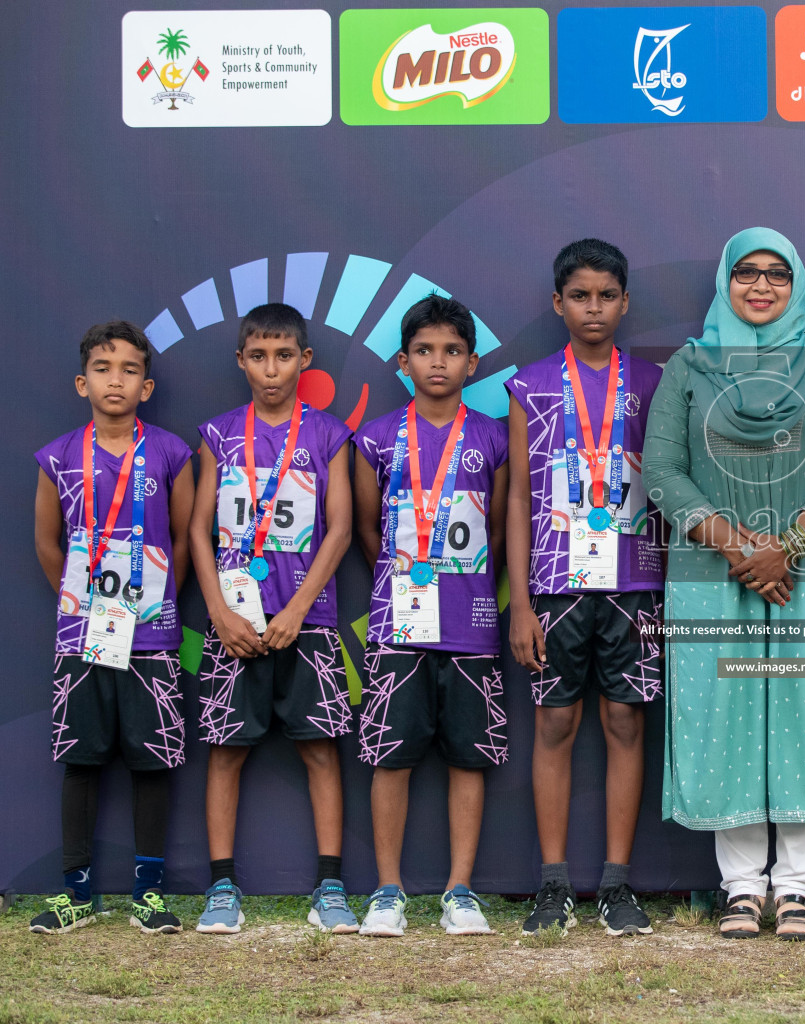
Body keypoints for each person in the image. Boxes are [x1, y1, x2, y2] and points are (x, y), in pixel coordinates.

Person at [643, 227, 805, 941]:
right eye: (747, 273)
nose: (762, 285)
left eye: (777, 273)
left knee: (803, 714)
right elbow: (662, 472)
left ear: (797, 282)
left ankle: (797, 887)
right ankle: (741, 888)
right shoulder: (690, 365)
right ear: (725, 281)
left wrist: (789, 547)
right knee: (726, 715)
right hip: (714, 574)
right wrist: (745, 549)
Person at [507, 239, 665, 937]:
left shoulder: (656, 383)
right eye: (580, 296)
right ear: (557, 304)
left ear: (625, 302)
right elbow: (515, 499)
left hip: (636, 583)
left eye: (606, 295)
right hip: (556, 583)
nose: (593, 308)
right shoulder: (530, 385)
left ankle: (618, 883)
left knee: (626, 723)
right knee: (555, 723)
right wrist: (520, 599)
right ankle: (552, 883)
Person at [188, 303, 355, 935]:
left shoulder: (327, 435)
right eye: (258, 356)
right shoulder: (220, 435)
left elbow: (338, 530)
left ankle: (331, 887)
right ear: (241, 361)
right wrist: (220, 612)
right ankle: (222, 888)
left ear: (304, 360)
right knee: (227, 752)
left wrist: (297, 608)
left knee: (319, 750)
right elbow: (200, 532)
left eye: (284, 355)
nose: (271, 369)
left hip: (306, 623)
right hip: (234, 623)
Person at [353, 294, 509, 937]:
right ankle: (387, 891)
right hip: (397, 623)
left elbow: (500, 532)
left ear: (472, 363)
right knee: (392, 755)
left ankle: (459, 891)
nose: (437, 362)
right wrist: (403, 577)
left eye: (451, 351)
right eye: (424, 351)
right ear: (402, 361)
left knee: (467, 758)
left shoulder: (495, 437)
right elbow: (365, 530)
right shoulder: (376, 438)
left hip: (470, 622)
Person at [31, 321, 193, 935]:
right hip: (82, 636)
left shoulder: (173, 453)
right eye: (103, 368)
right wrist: (85, 608)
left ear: (146, 386)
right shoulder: (59, 456)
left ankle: (148, 895)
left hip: (152, 636)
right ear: (82, 383)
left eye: (129, 369)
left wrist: (149, 606)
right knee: (82, 759)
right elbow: (49, 544)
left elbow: (181, 540)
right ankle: (76, 892)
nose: (115, 379)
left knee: (151, 760)